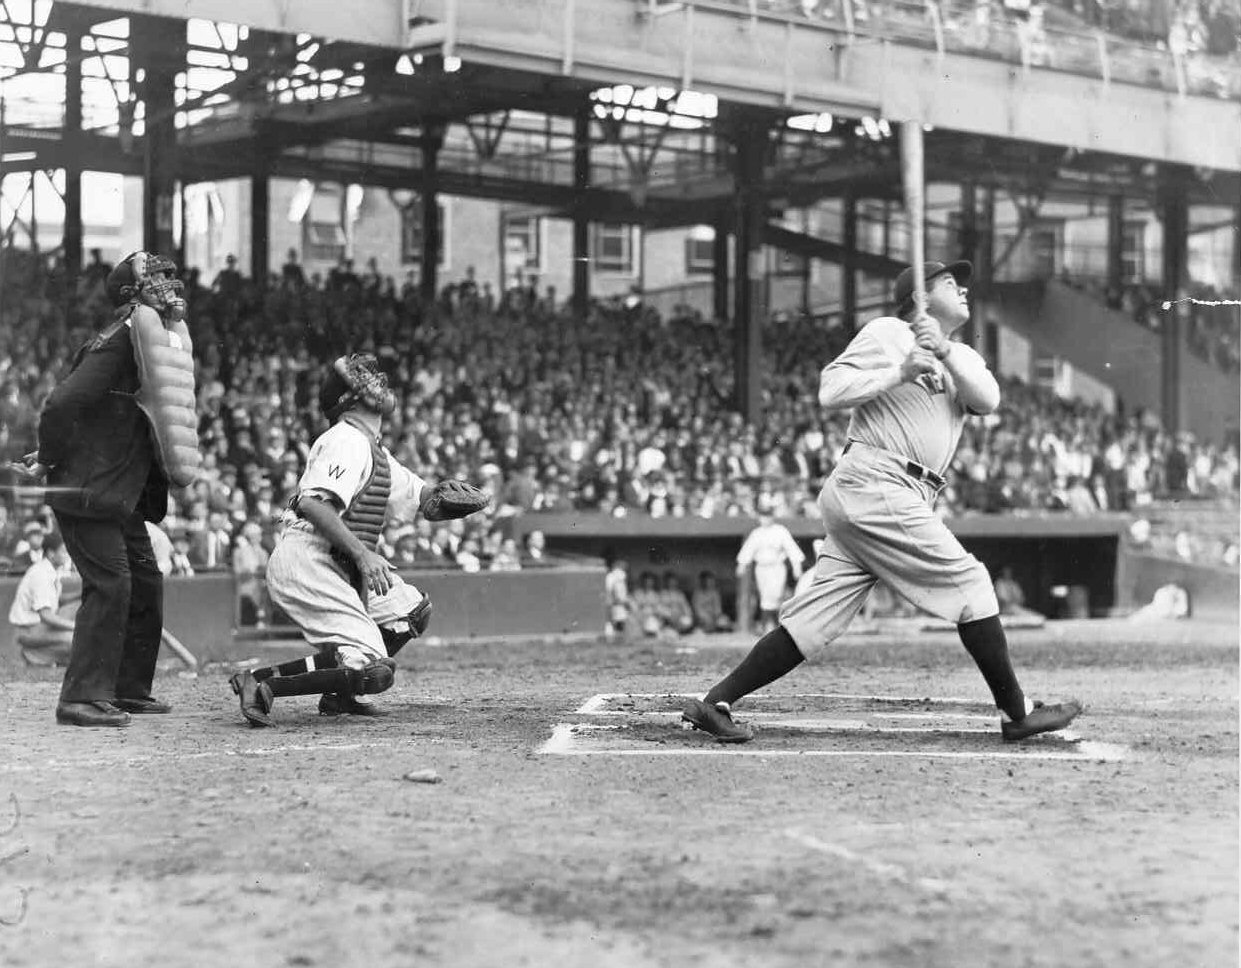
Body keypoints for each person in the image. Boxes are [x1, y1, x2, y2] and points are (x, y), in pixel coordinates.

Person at [681, 261, 1081, 744]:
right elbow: (831, 390)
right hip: (877, 479)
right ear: (919, 297)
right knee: (971, 581)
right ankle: (1016, 712)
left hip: (897, 492)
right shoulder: (889, 332)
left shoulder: (963, 354)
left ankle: (715, 702)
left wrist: (945, 350)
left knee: (814, 620)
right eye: (951, 284)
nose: (965, 288)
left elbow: (988, 399)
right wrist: (901, 370)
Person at [228, 354, 487, 726]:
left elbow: (423, 500)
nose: (376, 385)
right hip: (308, 558)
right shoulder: (345, 439)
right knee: (374, 671)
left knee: (409, 612)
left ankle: (340, 693)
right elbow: (313, 503)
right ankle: (260, 683)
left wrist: (448, 499)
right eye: (362, 382)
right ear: (349, 400)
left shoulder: (374, 450)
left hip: (338, 560)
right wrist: (365, 555)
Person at [28, 251, 187, 726]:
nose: (166, 286)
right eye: (153, 280)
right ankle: (79, 697)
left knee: (145, 580)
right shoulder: (121, 338)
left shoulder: (150, 341)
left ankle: (128, 688)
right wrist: (49, 456)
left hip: (118, 491)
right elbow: (62, 402)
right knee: (111, 583)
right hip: (85, 488)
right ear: (130, 295)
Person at [8, 532, 75, 667]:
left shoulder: (50, 570)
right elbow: (46, 616)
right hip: (28, 630)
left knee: (78, 608)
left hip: (39, 627)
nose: (67, 555)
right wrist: (74, 626)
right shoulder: (41, 574)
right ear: (51, 553)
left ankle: (51, 655)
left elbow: (55, 600)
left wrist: (80, 594)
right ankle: (34, 656)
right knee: (77, 640)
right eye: (63, 551)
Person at [735, 509, 805, 634]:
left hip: (776, 567)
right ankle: (767, 627)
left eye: (767, 516)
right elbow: (748, 550)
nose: (765, 519)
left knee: (776, 595)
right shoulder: (757, 533)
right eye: (763, 516)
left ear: (772, 517)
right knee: (765, 598)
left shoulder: (780, 530)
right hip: (762, 568)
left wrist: (796, 567)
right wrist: (741, 565)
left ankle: (775, 627)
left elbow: (791, 548)